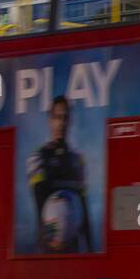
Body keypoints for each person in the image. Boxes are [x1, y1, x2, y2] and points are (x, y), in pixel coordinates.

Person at [28, 95, 92, 253]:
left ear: (70, 122)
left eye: (65, 118)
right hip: (48, 248)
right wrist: (50, 239)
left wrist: (91, 250)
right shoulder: (38, 158)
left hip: (73, 249)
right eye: (57, 117)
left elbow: (84, 210)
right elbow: (40, 203)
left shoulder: (78, 161)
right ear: (50, 120)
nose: (61, 123)